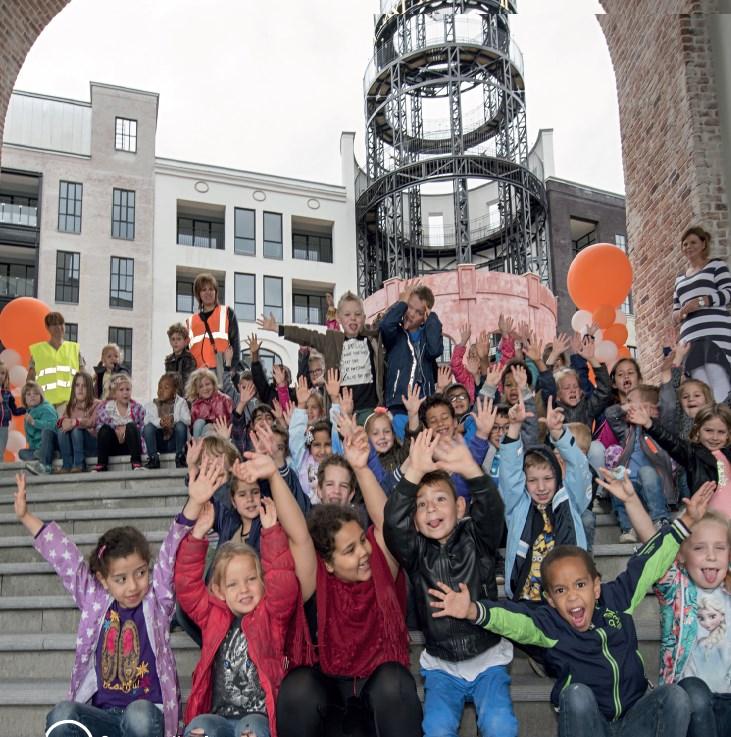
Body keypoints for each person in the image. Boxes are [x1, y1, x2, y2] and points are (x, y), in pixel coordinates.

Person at [428, 484, 716, 737]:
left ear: (596, 587)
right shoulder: (550, 624)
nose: (572, 597)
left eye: (580, 584)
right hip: (590, 725)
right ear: (551, 600)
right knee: (576, 696)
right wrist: (472, 610)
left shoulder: (617, 600)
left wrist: (685, 521)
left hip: (635, 718)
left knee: (676, 696)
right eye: (561, 591)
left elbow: (646, 564)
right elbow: (513, 619)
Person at [13, 458, 225, 737]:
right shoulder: (94, 600)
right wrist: (26, 516)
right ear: (103, 580)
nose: (133, 586)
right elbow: (66, 560)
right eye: (121, 579)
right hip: (102, 716)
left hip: (147, 717)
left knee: (138, 713)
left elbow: (170, 551)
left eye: (140, 573)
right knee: (63, 714)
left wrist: (194, 504)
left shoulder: (156, 601)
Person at [266, 425, 423, 737]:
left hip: (376, 686)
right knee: (297, 689)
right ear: (329, 563)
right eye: (350, 550)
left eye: (362, 542)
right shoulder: (316, 574)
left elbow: (387, 524)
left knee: (397, 685)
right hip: (329, 691)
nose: (365, 552)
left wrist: (362, 468)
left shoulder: (380, 562)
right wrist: (273, 474)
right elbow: (298, 535)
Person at [383, 428, 517, 737]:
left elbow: (493, 511)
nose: (431, 509)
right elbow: (392, 524)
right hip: (442, 667)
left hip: (488, 659)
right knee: (436, 728)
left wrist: (471, 469)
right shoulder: (415, 552)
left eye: (440, 499)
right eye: (422, 504)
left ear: (460, 507)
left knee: (500, 724)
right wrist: (414, 471)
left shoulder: (477, 539)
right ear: (414, 519)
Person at [175, 486, 310, 737]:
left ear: (262, 582)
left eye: (251, 579)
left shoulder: (271, 615)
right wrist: (198, 535)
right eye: (233, 584)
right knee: (197, 729)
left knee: (253, 731)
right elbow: (186, 587)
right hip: (218, 716)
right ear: (218, 590)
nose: (244, 590)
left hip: (258, 717)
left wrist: (270, 534)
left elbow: (283, 584)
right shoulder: (212, 615)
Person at [500, 396, 592, 600]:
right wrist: (514, 427)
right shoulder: (518, 506)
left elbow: (579, 466)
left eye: (548, 478)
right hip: (526, 600)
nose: (541, 487)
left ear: (558, 477)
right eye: (532, 480)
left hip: (567, 601)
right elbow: (508, 474)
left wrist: (558, 433)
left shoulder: (570, 500)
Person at [257, 290, 383, 423]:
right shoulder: (331, 341)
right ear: (339, 318)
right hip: (340, 411)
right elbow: (307, 335)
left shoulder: (372, 338)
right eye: (347, 314)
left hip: (369, 409)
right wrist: (278, 328)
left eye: (357, 314)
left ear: (363, 317)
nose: (353, 318)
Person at [629, 401, 731, 517]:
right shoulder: (692, 454)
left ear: (728, 434)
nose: (714, 437)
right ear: (698, 430)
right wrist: (649, 424)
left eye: (721, 432)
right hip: (706, 516)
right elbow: (672, 442)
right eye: (709, 431)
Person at [605, 384, 673, 541]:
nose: (626, 405)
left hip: (654, 487)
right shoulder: (627, 431)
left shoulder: (659, 429)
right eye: (626, 402)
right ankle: (628, 528)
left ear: (649, 408)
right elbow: (610, 414)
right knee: (617, 478)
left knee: (646, 471)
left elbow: (669, 409)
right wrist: (628, 406)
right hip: (631, 487)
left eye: (630, 402)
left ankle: (660, 519)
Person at [672, 226, 731, 401]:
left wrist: (702, 301)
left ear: (703, 244)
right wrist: (682, 312)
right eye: (685, 244)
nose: (688, 247)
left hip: (715, 333)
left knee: (718, 373)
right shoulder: (680, 279)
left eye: (693, 242)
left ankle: (724, 419)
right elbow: (674, 312)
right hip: (690, 336)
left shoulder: (716, 265)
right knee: (699, 383)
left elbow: (728, 292)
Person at [379, 279, 443, 438]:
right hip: (399, 405)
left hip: (424, 406)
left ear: (425, 317)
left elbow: (435, 350)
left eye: (419, 312)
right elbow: (385, 325)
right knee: (405, 449)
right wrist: (402, 302)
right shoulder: (395, 335)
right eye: (409, 307)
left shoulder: (427, 338)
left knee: (423, 449)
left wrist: (432, 318)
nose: (411, 314)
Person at [186, 273, 241, 379]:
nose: (208, 293)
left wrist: (230, 373)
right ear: (199, 294)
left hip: (221, 372)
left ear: (216, 292)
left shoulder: (227, 312)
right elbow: (187, 353)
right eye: (204, 290)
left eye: (211, 289)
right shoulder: (191, 321)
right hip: (198, 376)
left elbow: (235, 345)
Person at [27, 311, 83, 412]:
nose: (58, 327)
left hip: (69, 403)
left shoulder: (74, 349)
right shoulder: (38, 350)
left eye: (61, 323)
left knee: (65, 428)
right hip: (44, 404)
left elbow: (83, 376)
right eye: (54, 324)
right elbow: (30, 379)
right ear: (47, 328)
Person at [95, 374, 145, 472]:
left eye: (128, 389)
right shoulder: (106, 408)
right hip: (113, 445)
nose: (125, 393)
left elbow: (143, 427)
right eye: (121, 390)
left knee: (131, 426)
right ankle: (101, 464)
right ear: (114, 393)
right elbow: (98, 428)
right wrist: (116, 430)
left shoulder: (137, 408)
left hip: (130, 446)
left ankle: (136, 463)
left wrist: (126, 430)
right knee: (104, 429)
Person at [54, 371, 100, 473]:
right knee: (62, 430)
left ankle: (80, 465)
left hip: (91, 444)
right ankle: (67, 465)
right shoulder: (71, 406)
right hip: (74, 445)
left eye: (84, 386)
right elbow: (63, 420)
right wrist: (63, 422)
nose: (80, 389)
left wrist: (76, 422)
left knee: (76, 429)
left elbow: (92, 422)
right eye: (77, 385)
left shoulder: (97, 404)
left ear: (89, 389)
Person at [143, 373, 190, 469]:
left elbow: (188, 420)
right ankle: (153, 458)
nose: (161, 391)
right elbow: (147, 420)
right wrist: (160, 422)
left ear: (174, 391)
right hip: (160, 442)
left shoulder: (181, 402)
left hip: (175, 442)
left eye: (166, 388)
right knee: (148, 427)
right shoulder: (151, 404)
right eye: (159, 387)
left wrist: (174, 419)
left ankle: (180, 457)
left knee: (181, 425)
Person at [18, 381, 57, 472]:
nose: (32, 396)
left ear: (41, 396)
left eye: (36, 393)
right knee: (21, 453)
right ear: (25, 399)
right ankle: (43, 454)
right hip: (36, 448)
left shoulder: (47, 408)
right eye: (28, 394)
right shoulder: (29, 413)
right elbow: (31, 439)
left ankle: (45, 465)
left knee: (46, 431)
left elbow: (53, 426)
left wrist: (34, 422)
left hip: (50, 444)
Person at [187, 368, 233, 439]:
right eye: (201, 386)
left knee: (209, 427)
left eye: (207, 384)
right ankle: (198, 447)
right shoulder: (196, 405)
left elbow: (232, 420)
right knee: (199, 423)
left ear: (214, 384)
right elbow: (192, 428)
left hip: (222, 433)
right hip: (202, 435)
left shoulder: (224, 399)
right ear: (197, 390)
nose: (205, 388)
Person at [0, 360, 25, 458]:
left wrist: (25, 409)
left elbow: (14, 411)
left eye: (2, 373)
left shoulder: (7, 394)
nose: (0, 376)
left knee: (1, 451)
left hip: (4, 427)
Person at [164, 322, 196, 396]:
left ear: (185, 341)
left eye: (179, 339)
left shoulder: (189, 358)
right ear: (170, 341)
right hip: (172, 397)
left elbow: (188, 382)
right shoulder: (168, 360)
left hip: (185, 397)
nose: (175, 342)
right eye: (173, 339)